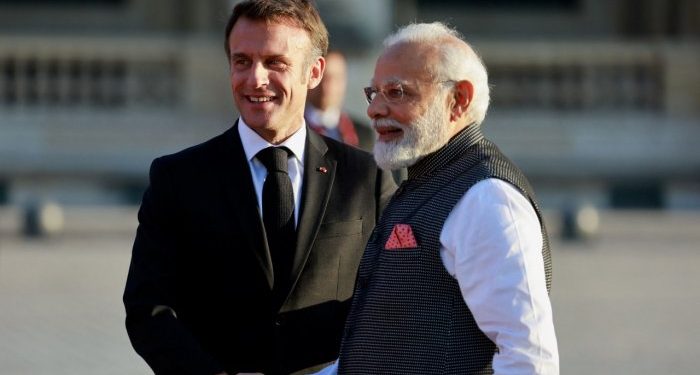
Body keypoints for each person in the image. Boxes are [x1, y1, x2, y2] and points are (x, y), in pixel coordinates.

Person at [122, 1, 396, 374]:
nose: (255, 79)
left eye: (275, 62)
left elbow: (396, 297)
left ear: (314, 72)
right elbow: (148, 308)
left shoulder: (367, 176)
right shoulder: (178, 179)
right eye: (242, 61)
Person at [316, 22, 559, 374]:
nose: (374, 109)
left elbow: (529, 360)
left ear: (458, 99)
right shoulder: (427, 180)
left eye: (397, 92)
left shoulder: (487, 199)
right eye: (374, 93)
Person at [305, 50, 374, 151]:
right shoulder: (291, 129)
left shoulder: (363, 134)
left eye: (336, 78)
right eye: (322, 77)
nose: (328, 86)